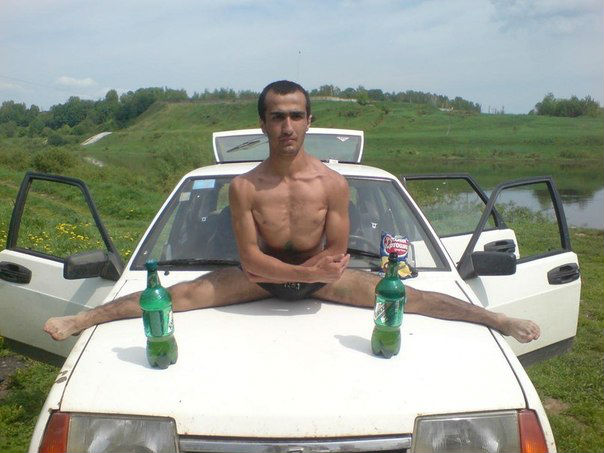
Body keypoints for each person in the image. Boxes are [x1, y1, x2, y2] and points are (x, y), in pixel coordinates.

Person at [44, 80, 540, 344]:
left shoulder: (332, 184)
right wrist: (301, 271)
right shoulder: (244, 187)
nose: (287, 126)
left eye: (296, 116)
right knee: (174, 296)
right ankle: (84, 319)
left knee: (415, 297)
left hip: (321, 281)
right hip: (257, 280)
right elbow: (251, 260)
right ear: (263, 123)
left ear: (308, 121)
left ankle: (494, 319)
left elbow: (337, 258)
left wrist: (308, 272)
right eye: (277, 116)